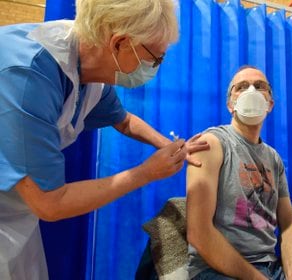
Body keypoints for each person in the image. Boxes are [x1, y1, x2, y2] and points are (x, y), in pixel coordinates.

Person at [0, 0, 209, 279]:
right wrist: (145, 173)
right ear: (120, 43)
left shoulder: (86, 68)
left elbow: (123, 120)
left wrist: (170, 145)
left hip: (17, 214)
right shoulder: (27, 76)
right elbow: (50, 203)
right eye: (155, 58)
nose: (155, 67)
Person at [186, 66, 292, 280]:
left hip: (271, 267)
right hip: (214, 270)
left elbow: (289, 223)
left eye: (259, 86)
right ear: (230, 104)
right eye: (241, 87)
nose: (251, 92)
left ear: (270, 104)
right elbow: (199, 233)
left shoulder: (273, 158)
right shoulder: (211, 144)